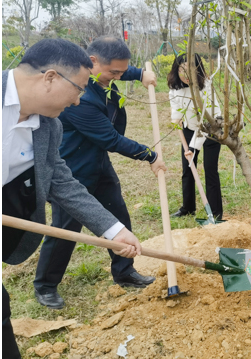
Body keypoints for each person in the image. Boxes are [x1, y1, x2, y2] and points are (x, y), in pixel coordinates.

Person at [2, 39, 143, 359]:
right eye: (78, 89)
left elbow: (61, 182)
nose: (79, 100)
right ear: (50, 77)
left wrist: (113, 230)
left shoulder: (49, 126)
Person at [33, 36, 166, 310]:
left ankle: (124, 271)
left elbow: (117, 69)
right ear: (92, 62)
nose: (117, 77)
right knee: (65, 230)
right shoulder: (80, 98)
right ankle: (45, 285)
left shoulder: (99, 75)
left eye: (121, 72)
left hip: (98, 163)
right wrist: (150, 155)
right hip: (73, 170)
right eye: (114, 72)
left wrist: (139, 74)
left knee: (118, 216)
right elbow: (111, 139)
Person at [168, 53, 223, 219]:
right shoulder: (175, 88)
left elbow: (208, 119)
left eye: (190, 70)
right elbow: (176, 111)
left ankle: (216, 213)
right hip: (189, 128)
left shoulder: (206, 86)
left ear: (198, 70)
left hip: (211, 129)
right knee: (188, 168)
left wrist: (194, 147)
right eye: (181, 70)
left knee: (210, 169)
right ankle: (188, 208)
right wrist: (176, 120)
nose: (185, 75)